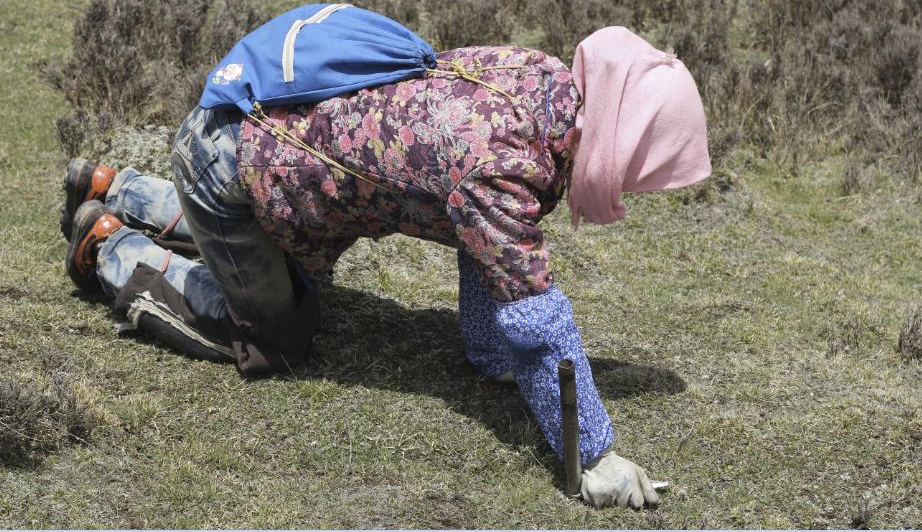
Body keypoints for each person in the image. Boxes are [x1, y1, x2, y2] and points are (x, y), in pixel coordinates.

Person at [62, 26, 711, 509]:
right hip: (234, 170)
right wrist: (594, 453)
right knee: (276, 336)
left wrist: (492, 354)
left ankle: (113, 185)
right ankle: (111, 247)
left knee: (259, 240)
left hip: (243, 126)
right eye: (643, 168)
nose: (636, 186)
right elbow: (536, 315)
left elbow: (482, 241)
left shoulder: (538, 80)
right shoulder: (504, 165)